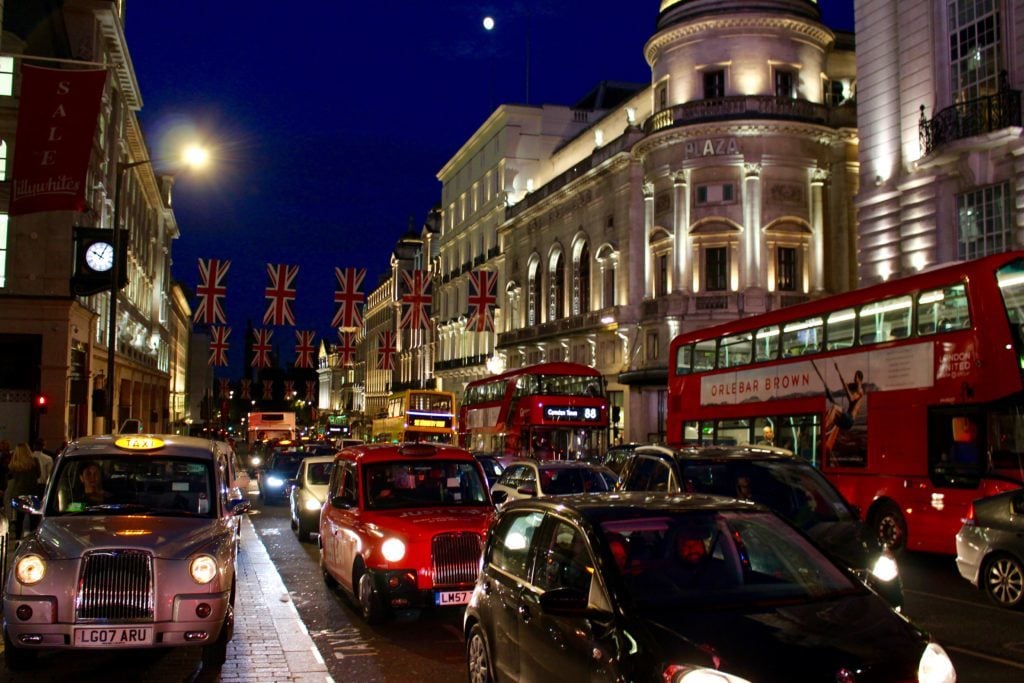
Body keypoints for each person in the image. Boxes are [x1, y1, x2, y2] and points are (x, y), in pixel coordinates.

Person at [5, 442, 41, 538]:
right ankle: (34, 539)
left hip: (18, 493)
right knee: (34, 520)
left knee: (19, 520)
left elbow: (11, 477)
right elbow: (39, 474)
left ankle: (17, 539)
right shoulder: (34, 461)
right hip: (32, 492)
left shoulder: (13, 464)